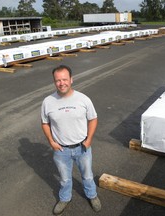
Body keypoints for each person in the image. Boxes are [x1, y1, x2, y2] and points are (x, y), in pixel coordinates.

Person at [41, 65, 101, 215]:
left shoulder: (83, 99)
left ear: (71, 80)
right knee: (65, 179)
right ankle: (65, 198)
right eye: (58, 80)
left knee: (87, 175)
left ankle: (92, 195)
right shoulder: (48, 102)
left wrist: (89, 140)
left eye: (65, 79)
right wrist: (51, 141)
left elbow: (93, 119)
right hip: (61, 150)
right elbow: (44, 123)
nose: (62, 83)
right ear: (54, 82)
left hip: (83, 147)